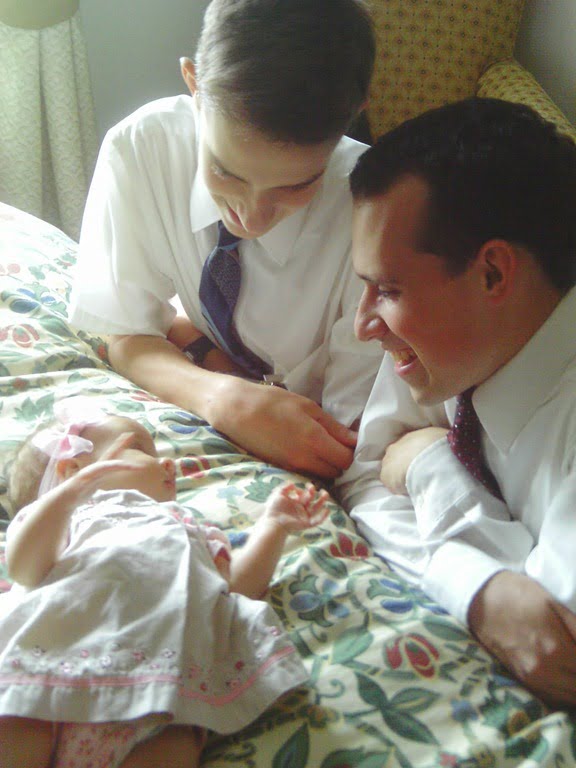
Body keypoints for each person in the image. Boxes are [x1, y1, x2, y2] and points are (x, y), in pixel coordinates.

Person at [68, 0, 383, 481]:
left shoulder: (373, 211)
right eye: (225, 171)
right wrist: (224, 398)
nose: (251, 217)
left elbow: (352, 432)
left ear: (351, 120)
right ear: (194, 85)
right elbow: (124, 332)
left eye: (295, 187)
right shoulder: (141, 149)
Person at [335, 97, 576, 708]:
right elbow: (365, 477)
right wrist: (482, 592)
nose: (363, 325)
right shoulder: (445, 345)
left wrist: (426, 468)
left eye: (387, 289)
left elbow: (553, 645)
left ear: (493, 273)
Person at [0, 400, 330, 767]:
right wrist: (69, 496)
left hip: (160, 688)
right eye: (142, 450)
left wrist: (273, 526)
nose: (168, 462)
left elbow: (232, 589)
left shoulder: (191, 528)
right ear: (74, 470)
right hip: (43, 670)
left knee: (176, 742)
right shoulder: (68, 518)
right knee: (14, 723)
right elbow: (24, 569)